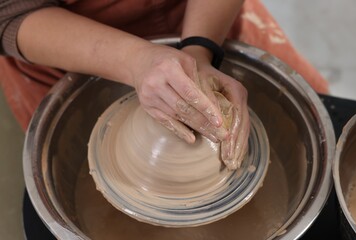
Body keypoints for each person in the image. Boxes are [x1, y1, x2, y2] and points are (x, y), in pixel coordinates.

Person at [0, 0, 328, 162]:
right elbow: (10, 9)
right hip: (71, 45)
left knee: (310, 134)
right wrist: (135, 61)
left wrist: (200, 51)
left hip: (205, 15)